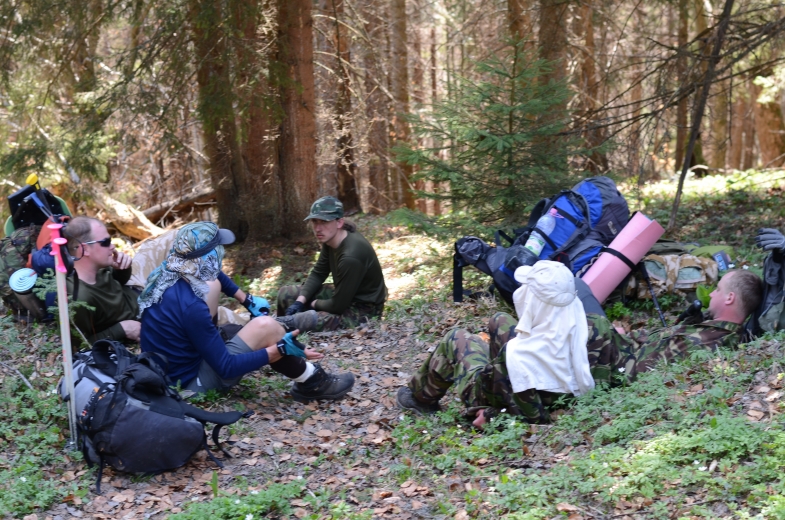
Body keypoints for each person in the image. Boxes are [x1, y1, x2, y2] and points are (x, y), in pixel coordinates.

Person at [397, 262, 762, 426]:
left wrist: (606, 342)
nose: (711, 292)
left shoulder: (707, 344)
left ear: (730, 301)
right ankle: (490, 368)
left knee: (459, 339)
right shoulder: (713, 332)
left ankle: (420, 398)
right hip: (608, 350)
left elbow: (640, 372)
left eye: (718, 289)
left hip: (603, 359)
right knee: (498, 323)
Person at [138, 221, 355, 401]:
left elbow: (215, 274)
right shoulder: (192, 305)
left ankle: (299, 363)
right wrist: (277, 350)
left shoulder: (168, 270)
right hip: (188, 385)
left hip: (165, 372)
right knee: (265, 326)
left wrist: (246, 299)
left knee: (235, 327)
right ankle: (312, 382)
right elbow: (226, 368)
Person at [277, 196, 387, 331]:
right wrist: (300, 302)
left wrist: (313, 304)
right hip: (345, 297)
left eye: (324, 222)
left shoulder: (350, 256)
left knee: (304, 320)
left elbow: (337, 306)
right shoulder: (331, 240)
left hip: (363, 311)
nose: (317, 228)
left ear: (339, 222)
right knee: (286, 294)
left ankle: (281, 329)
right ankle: (280, 331)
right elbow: (318, 273)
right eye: (314, 222)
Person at [61, 216, 141, 345]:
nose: (112, 246)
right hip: (144, 316)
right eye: (106, 242)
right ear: (84, 249)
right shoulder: (79, 298)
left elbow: (116, 284)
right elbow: (81, 345)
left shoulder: (97, 266)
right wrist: (122, 330)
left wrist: (122, 269)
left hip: (141, 296)